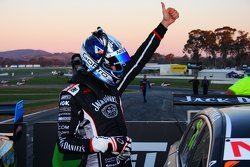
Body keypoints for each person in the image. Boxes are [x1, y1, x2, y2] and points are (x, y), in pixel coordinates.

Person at [53, 2, 179, 167]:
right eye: (113, 63)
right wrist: (103, 144)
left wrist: (163, 26)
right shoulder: (71, 94)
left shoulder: (112, 86)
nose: (118, 68)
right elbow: (64, 143)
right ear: (95, 62)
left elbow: (139, 61)